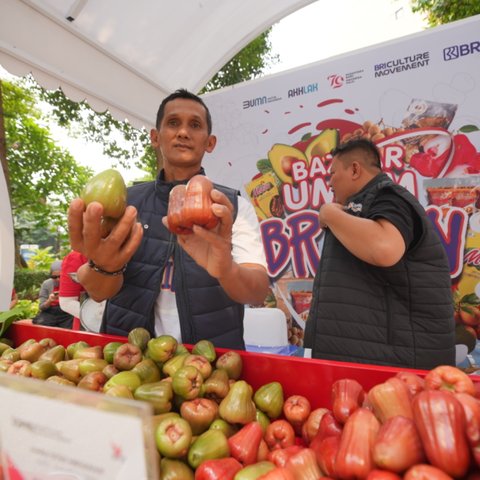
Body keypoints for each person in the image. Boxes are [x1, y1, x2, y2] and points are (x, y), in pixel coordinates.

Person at [68, 89, 269, 349]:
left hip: (210, 364)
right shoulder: (126, 203)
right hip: (129, 360)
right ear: (155, 137)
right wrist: (104, 267)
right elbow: (99, 292)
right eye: (173, 123)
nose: (183, 132)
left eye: (195, 125)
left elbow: (257, 292)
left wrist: (226, 269)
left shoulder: (231, 206)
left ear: (210, 142)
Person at [304, 138, 455, 369]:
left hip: (395, 366)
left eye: (333, 173)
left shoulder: (387, 196)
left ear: (355, 169)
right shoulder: (361, 206)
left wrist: (328, 213)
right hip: (368, 360)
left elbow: (385, 248)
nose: (330, 182)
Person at [32, 260, 74, 329]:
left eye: (60, 276)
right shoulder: (47, 284)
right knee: (40, 322)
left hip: (66, 312)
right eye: (54, 277)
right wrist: (49, 301)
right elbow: (41, 307)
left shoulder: (70, 283)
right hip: (50, 311)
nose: (58, 279)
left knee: (71, 324)